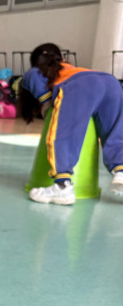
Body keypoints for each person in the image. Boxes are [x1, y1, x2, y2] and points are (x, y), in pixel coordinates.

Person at [22, 42, 123, 205]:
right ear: (62, 58)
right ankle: (121, 171)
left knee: (65, 132)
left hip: (82, 86)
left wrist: (47, 104)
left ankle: (62, 186)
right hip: (111, 82)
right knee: (116, 130)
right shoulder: (71, 68)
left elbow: (31, 76)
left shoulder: (37, 71)